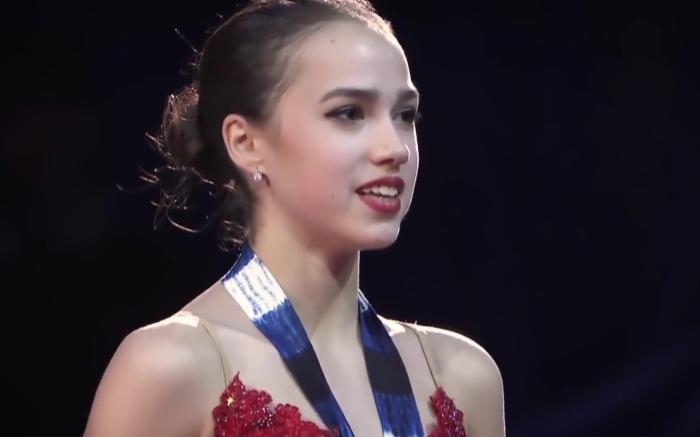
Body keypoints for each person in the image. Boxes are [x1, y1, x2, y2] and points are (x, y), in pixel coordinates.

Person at [84, 0, 505, 435]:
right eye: (349, 113)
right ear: (246, 143)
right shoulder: (169, 367)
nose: (395, 148)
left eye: (405, 115)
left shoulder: (462, 376)